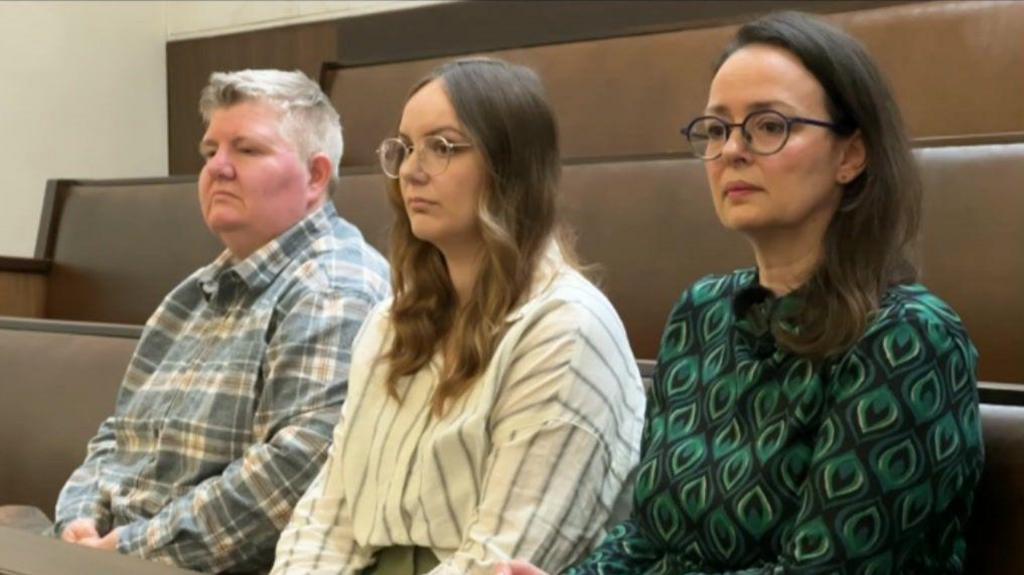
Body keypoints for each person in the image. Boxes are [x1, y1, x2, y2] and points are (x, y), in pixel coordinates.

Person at [502, 11, 983, 575]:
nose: (732, 149)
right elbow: (648, 536)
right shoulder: (701, 312)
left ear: (852, 155)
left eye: (769, 125)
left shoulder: (909, 337)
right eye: (716, 128)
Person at [270, 57, 646, 575]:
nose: (411, 170)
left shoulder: (566, 328)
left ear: (509, 167)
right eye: (404, 148)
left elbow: (508, 552)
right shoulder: (388, 322)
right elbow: (327, 515)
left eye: (442, 147)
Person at [49, 69, 391, 571]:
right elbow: (118, 434)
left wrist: (127, 549)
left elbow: (298, 472)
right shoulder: (194, 293)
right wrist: (78, 522)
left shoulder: (335, 287)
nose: (218, 169)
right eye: (211, 152)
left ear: (316, 177)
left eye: (247, 150)